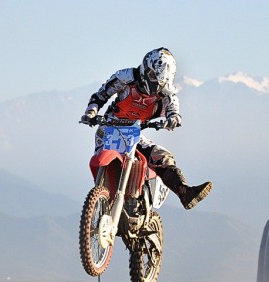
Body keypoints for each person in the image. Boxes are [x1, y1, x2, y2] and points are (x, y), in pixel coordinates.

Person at [81, 47, 212, 210]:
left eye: (159, 81)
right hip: (109, 128)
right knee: (102, 158)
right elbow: (101, 95)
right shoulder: (125, 77)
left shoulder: (167, 93)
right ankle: (103, 198)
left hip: (133, 133)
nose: (154, 84)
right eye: (152, 76)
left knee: (162, 157)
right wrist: (91, 112)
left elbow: (173, 109)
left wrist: (173, 119)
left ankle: (184, 192)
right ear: (145, 68)